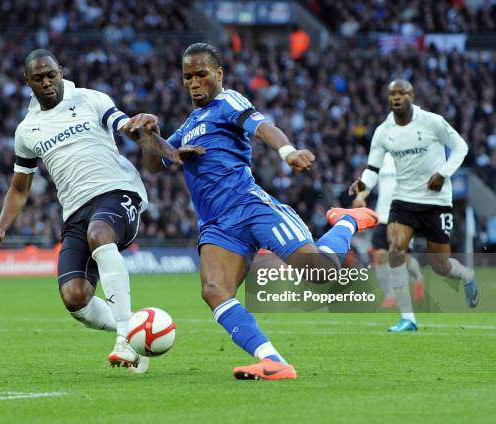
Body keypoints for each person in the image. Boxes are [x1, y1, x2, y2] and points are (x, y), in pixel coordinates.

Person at [125, 43, 380, 380]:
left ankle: (346, 221)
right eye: (188, 76)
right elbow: (156, 165)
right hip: (217, 225)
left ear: (219, 74)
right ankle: (273, 361)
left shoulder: (228, 102)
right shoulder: (189, 124)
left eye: (201, 74)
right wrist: (147, 136)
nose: (194, 82)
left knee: (321, 275)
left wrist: (287, 152)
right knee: (214, 291)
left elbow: (262, 127)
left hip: (251, 207)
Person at [0, 49, 178, 372]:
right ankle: (138, 329)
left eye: (51, 75)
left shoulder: (89, 99)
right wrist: (1, 227)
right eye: (39, 78)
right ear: (26, 81)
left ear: (61, 71)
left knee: (99, 234)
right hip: (75, 212)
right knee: (75, 298)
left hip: (117, 193)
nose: (47, 82)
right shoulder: (27, 130)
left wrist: (146, 129)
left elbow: (125, 125)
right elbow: (19, 187)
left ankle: (125, 340)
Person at [349, 79, 479, 332]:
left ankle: (467, 275)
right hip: (403, 201)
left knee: (440, 266)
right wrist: (363, 186)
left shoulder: (432, 121)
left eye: (402, 93)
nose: (397, 97)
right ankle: (408, 318)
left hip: (436, 201)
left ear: (412, 95)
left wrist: (443, 172)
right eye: (392, 94)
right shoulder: (383, 131)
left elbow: (461, 146)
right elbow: (373, 168)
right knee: (396, 249)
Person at [352, 152, 425, 313]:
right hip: (382, 215)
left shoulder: (412, 156)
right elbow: (370, 181)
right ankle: (389, 295)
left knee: (401, 256)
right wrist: (361, 196)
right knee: (380, 255)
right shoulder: (382, 158)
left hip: (403, 215)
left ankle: (418, 278)